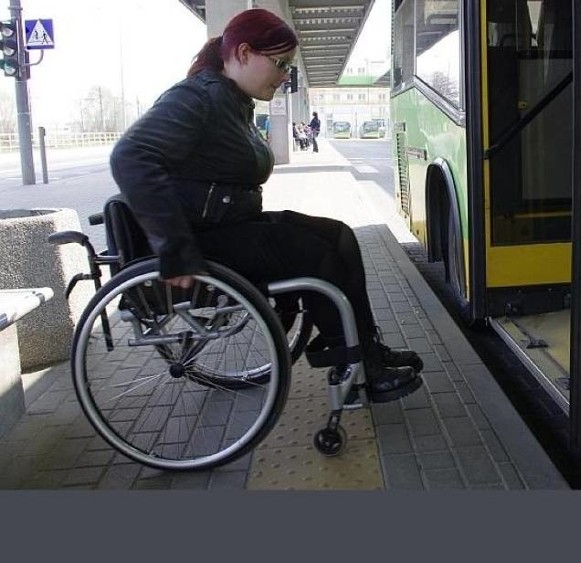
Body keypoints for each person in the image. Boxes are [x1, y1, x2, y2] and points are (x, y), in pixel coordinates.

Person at [109, 8, 423, 403]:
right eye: (279, 64)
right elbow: (130, 155)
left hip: (227, 226)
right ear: (242, 53)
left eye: (289, 66)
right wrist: (174, 248)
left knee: (338, 234)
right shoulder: (198, 97)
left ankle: (367, 349)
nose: (285, 75)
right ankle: (353, 363)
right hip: (203, 240)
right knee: (315, 254)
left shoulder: (232, 101)